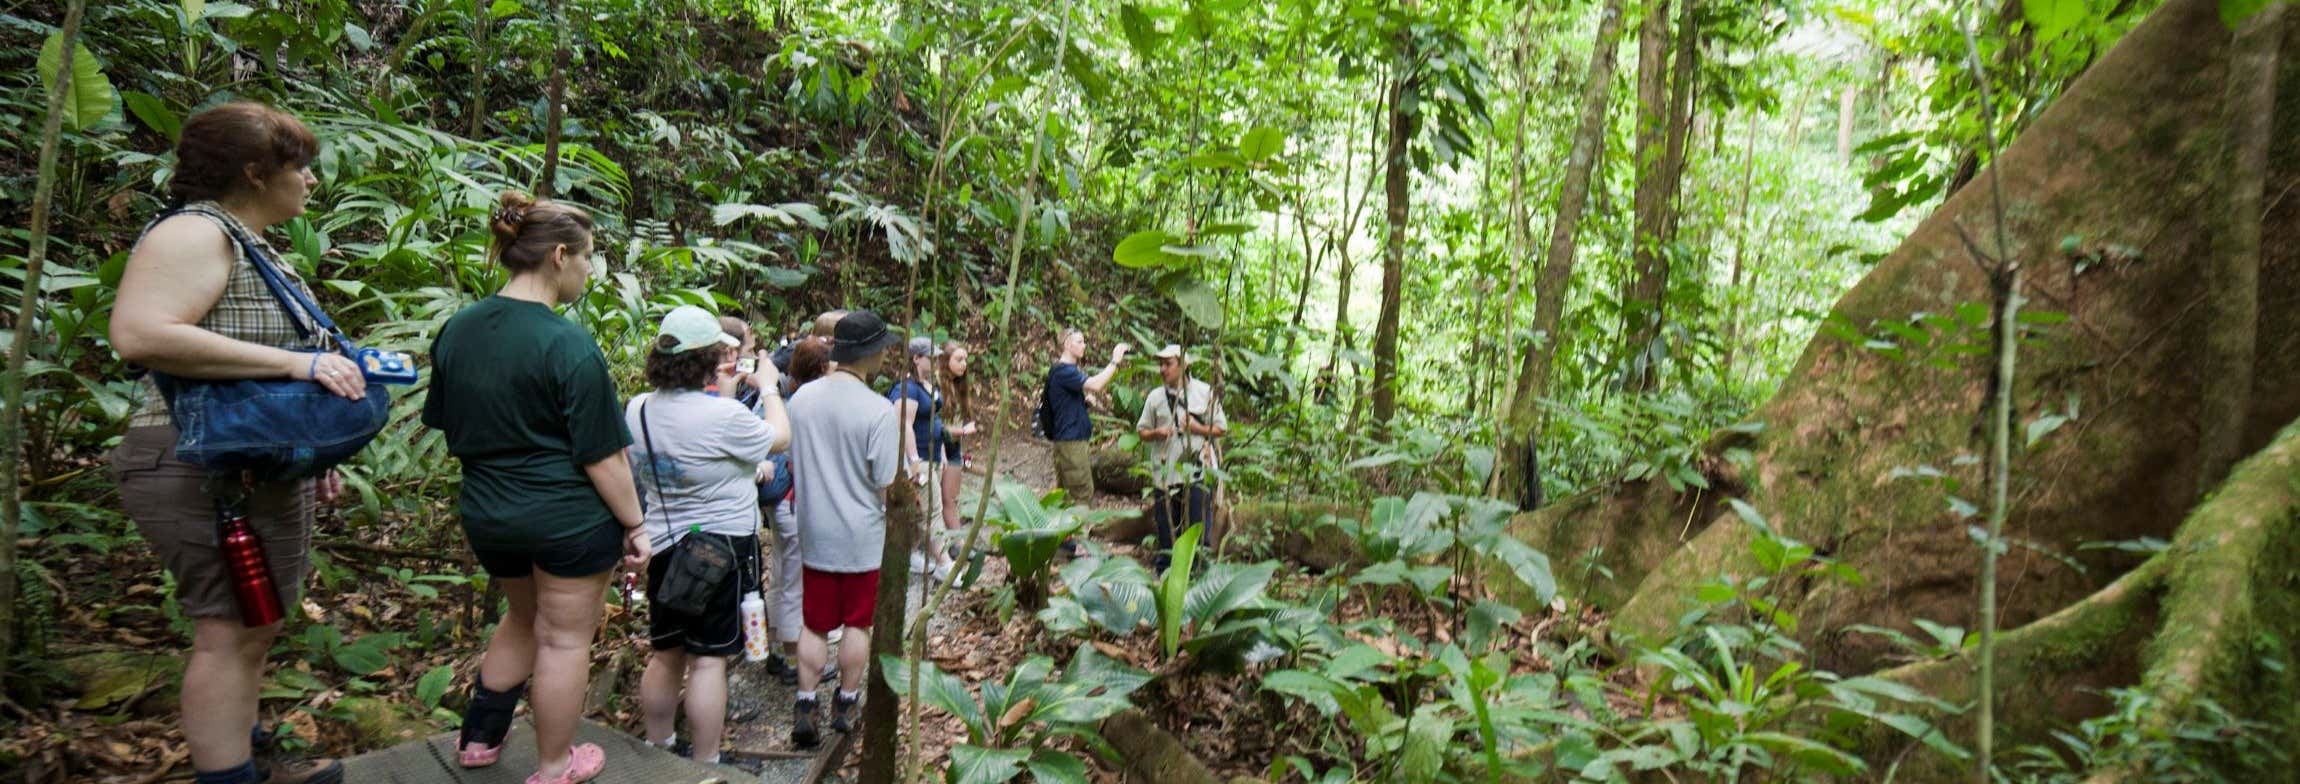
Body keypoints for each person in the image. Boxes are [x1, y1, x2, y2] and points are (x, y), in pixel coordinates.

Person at [108, 102, 347, 784]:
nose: (308, 181)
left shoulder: (244, 240)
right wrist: (298, 365)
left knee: (251, 630)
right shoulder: (194, 233)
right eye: (297, 166)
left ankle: (249, 760)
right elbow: (141, 333)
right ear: (253, 171)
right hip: (196, 464)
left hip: (247, 464)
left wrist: (310, 447)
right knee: (225, 634)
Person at [423, 191, 647, 784]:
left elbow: (449, 422)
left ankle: (479, 740)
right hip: (566, 519)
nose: (589, 272)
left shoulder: (458, 329)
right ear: (559, 256)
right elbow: (602, 456)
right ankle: (554, 765)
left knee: (521, 619)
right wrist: (635, 524)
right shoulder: (567, 343)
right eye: (588, 258)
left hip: (489, 513)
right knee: (564, 641)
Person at [629, 307, 787, 765]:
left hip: (662, 544)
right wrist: (771, 387)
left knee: (665, 654)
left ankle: (658, 745)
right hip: (720, 549)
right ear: (707, 359)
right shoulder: (723, 416)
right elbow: (779, 436)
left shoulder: (637, 408)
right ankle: (707, 759)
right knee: (708, 660)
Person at [783, 311, 904, 748]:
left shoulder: (801, 400)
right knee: (857, 623)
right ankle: (846, 701)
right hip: (861, 535)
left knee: (814, 624)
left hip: (814, 527)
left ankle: (805, 699)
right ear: (870, 354)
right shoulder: (878, 411)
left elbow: (793, 458)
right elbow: (885, 481)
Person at [759, 334, 833, 683]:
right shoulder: (805, 402)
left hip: (776, 501)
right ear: (821, 368)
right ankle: (792, 660)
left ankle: (774, 647)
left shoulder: (780, 398)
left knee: (780, 573)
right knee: (794, 582)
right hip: (793, 500)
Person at [1135, 345, 1227, 571]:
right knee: (1167, 534)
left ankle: (1198, 577)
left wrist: (1197, 428)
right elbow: (1142, 431)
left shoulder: (1204, 392)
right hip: (1165, 475)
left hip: (1196, 473)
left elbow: (1221, 428)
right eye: (1160, 364)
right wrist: (1157, 433)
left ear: (1184, 365)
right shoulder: (1155, 397)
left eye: (1168, 364)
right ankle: (1166, 581)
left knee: (1198, 530)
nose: (1162, 369)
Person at [888, 337, 968, 582]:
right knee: (932, 510)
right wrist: (913, 460)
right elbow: (904, 424)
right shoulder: (907, 388)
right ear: (916, 358)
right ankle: (944, 564)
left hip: (934, 454)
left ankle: (910, 553)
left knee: (920, 510)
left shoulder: (927, 386)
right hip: (917, 457)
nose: (935, 361)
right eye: (930, 357)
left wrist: (942, 452)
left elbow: (935, 420)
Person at [1042, 329, 1128, 506]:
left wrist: (1083, 403)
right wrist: (1115, 361)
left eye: (1084, 341)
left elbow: (1062, 403)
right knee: (1081, 494)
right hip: (1071, 442)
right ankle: (1079, 532)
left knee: (1066, 495)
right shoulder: (1064, 371)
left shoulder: (1063, 371)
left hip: (1067, 440)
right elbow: (1096, 385)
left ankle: (1066, 532)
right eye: (1079, 342)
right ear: (1067, 344)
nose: (1084, 346)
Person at [934, 340, 978, 540]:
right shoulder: (935, 386)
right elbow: (932, 425)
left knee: (950, 498)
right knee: (934, 502)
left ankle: (958, 544)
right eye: (959, 359)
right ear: (945, 361)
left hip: (953, 446)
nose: (964, 364)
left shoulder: (959, 385)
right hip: (935, 446)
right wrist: (960, 431)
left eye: (966, 360)